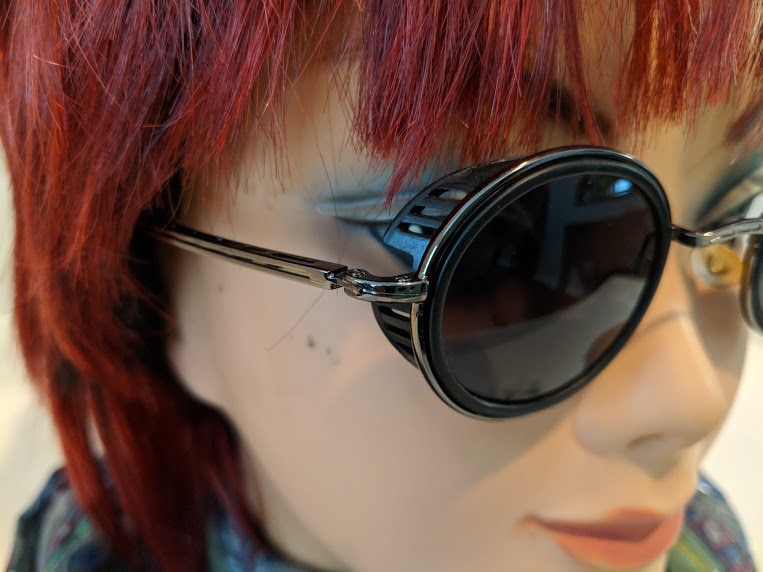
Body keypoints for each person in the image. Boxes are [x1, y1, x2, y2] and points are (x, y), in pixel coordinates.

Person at [0, 1, 760, 570]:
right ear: (152, 284)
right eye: (504, 249)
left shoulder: (708, 547)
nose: (691, 400)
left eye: (739, 232)